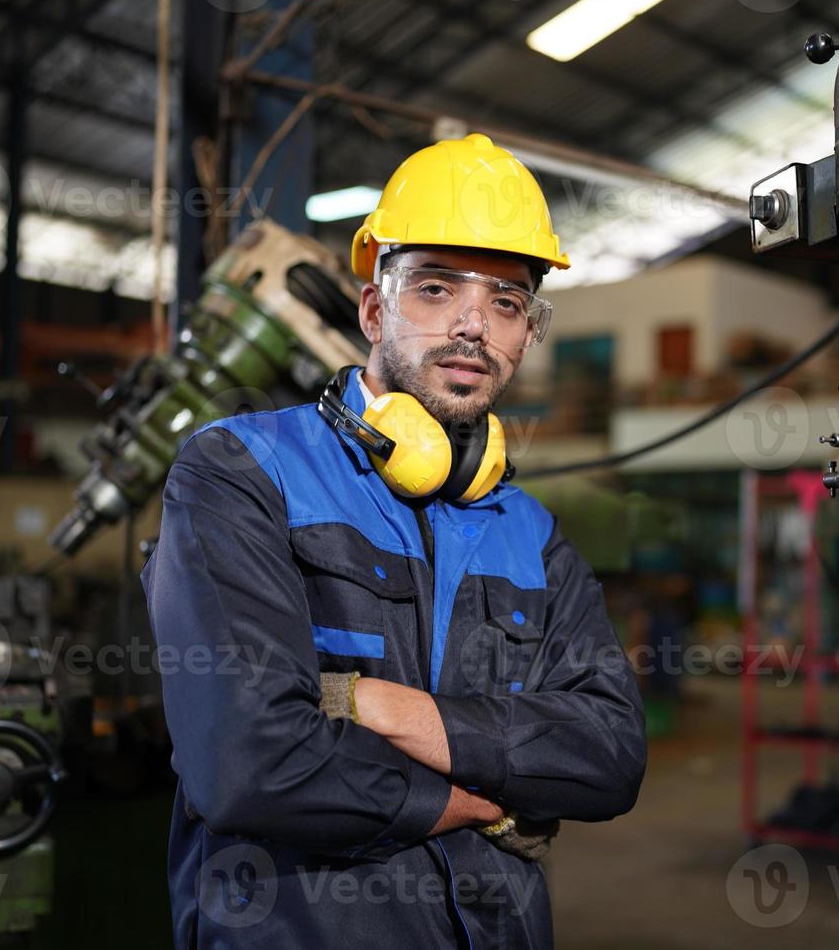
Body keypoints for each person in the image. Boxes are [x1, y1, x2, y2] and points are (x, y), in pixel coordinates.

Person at [143, 133, 646, 949]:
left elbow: (611, 757)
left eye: (508, 303)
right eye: (437, 289)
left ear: (527, 334)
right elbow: (248, 765)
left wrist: (374, 705)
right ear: (374, 309)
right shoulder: (240, 471)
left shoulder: (533, 534)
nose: (473, 326)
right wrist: (476, 798)